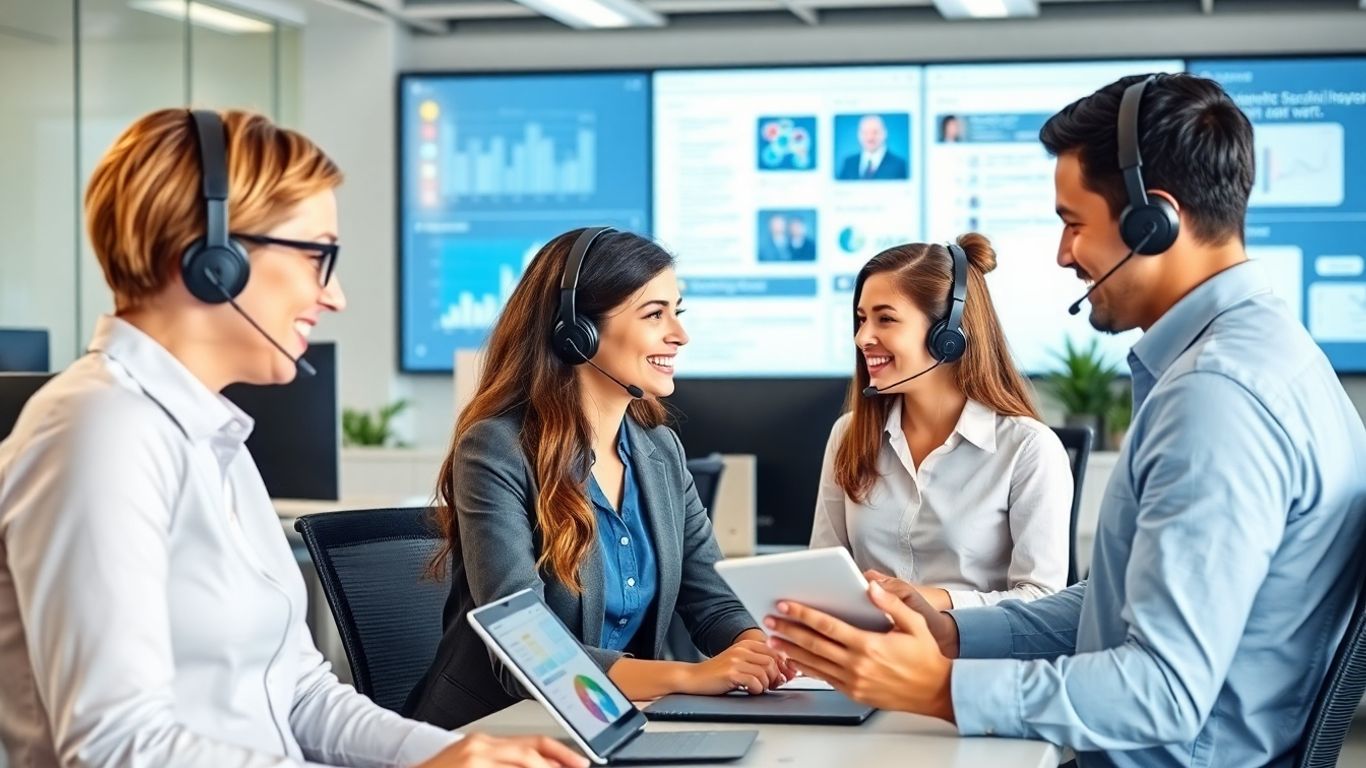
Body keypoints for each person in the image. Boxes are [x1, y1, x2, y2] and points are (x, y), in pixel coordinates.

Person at [768, 73, 1366, 767]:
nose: (1062, 253)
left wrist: (944, 689)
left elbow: (1162, 693)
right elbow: (1119, 605)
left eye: (1073, 223)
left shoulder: (1215, 398)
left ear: (1153, 221)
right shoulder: (1268, 357)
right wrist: (956, 633)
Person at [0, 109, 584, 768]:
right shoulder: (98, 433)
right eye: (317, 257)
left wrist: (450, 755)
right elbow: (119, 747)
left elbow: (300, 695)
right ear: (208, 259)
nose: (334, 297)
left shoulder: (211, 439)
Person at [406, 227, 791, 729]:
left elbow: (712, 599)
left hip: (617, 726)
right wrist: (688, 677)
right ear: (577, 333)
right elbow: (525, 650)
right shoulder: (497, 449)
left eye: (678, 312)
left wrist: (751, 646)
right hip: (502, 731)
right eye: (655, 314)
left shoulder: (659, 450)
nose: (679, 334)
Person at [810, 234, 1071, 610]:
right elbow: (823, 573)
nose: (862, 337)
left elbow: (1043, 601)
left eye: (886, 319)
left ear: (947, 336)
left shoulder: (1028, 449)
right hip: (869, 657)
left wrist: (931, 601)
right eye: (862, 319)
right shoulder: (849, 435)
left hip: (972, 661)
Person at [837, 114, 909, 180]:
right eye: (865, 132)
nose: (870, 137)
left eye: (875, 132)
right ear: (858, 135)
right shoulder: (849, 163)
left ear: (885, 134)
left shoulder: (898, 164)